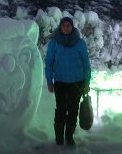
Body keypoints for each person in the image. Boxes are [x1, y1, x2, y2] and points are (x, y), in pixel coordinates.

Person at [45, 17, 91, 147]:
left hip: (77, 83)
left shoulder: (80, 43)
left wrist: (87, 82)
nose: (66, 27)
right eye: (64, 25)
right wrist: (49, 81)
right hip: (60, 83)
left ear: (72, 27)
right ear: (60, 27)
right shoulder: (54, 43)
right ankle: (59, 138)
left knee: (73, 111)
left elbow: (86, 63)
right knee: (60, 111)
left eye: (68, 25)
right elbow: (49, 62)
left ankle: (69, 137)